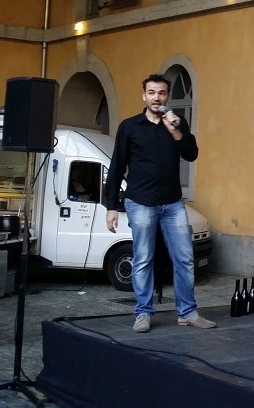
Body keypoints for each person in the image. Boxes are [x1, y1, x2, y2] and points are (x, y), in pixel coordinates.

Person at [103, 73, 215, 333]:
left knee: (185, 258)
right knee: (143, 259)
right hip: (140, 202)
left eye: (162, 93)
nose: (157, 97)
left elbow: (191, 153)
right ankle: (143, 313)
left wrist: (176, 129)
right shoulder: (129, 126)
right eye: (152, 92)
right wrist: (111, 206)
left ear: (167, 96)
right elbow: (117, 165)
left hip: (173, 203)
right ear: (144, 96)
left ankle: (187, 312)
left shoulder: (176, 123)